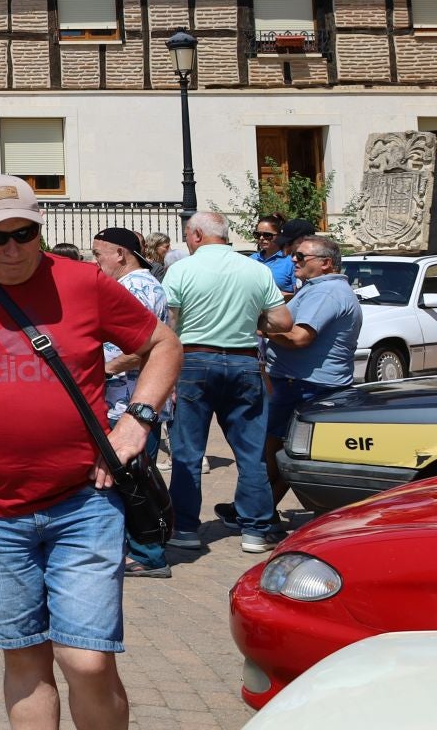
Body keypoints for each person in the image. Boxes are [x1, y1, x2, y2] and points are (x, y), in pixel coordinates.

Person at [0, 176, 180, 730]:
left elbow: (162, 345)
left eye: (24, 233)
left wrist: (138, 420)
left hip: (82, 501)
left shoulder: (84, 283)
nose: (12, 249)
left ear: (41, 230)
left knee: (86, 659)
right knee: (26, 656)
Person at [163, 211, 290, 552]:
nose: (188, 242)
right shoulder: (256, 269)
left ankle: (186, 529)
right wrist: (250, 319)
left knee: (188, 452)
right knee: (250, 452)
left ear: (199, 235)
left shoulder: (181, 270)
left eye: (189, 235)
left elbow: (168, 327)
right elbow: (282, 321)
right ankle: (255, 530)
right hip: (244, 361)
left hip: (194, 361)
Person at [252, 234, 360, 516]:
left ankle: (258, 513)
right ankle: (260, 510)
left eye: (301, 256)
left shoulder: (326, 292)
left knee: (272, 451)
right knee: (286, 452)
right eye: (294, 255)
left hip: (302, 384)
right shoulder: (320, 289)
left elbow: (300, 338)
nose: (293, 260)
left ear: (325, 263)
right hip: (304, 381)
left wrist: (263, 330)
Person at [90, 228, 174, 578]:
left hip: (132, 403)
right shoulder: (136, 285)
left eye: (98, 254)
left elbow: (141, 347)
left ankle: (148, 554)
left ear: (120, 254)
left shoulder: (136, 288)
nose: (95, 261)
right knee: (131, 478)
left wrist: (102, 368)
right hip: (130, 401)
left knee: (136, 480)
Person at [250, 215, 297, 296]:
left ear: (280, 236)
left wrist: (272, 296)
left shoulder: (292, 261)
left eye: (267, 235)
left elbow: (299, 295)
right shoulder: (251, 259)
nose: (261, 238)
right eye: (257, 234)